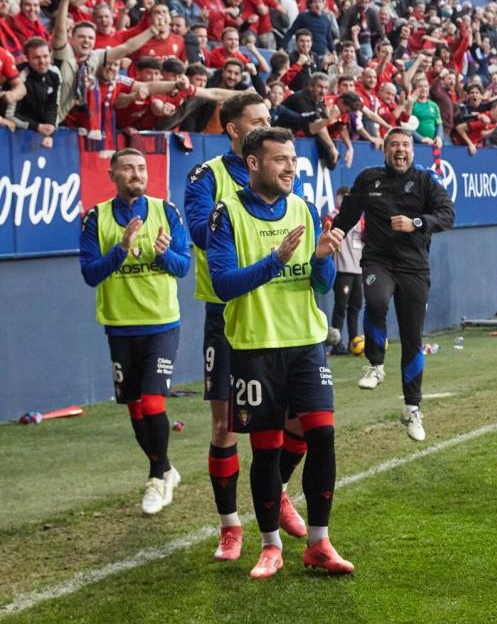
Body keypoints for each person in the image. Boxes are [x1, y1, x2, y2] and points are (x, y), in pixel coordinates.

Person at [207, 126, 352, 579]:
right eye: (279, 160)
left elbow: (320, 285)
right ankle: (270, 546)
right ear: (253, 163)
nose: (290, 167)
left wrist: (323, 258)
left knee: (321, 436)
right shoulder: (225, 214)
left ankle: (319, 542)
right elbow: (223, 284)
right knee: (265, 450)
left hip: (307, 342)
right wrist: (275, 260)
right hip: (254, 347)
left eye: (293, 160)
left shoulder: (305, 209)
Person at [184, 93, 309, 562]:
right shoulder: (208, 176)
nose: (266, 124)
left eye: (269, 118)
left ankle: (275, 492)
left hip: (280, 312)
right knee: (225, 425)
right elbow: (199, 230)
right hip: (228, 311)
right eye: (257, 120)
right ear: (234, 131)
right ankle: (230, 526)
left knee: (296, 417)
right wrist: (240, 218)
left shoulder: (281, 172)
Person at [79, 148, 188, 515]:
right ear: (112, 175)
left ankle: (157, 477)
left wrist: (162, 256)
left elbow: (183, 266)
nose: (136, 173)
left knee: (154, 401)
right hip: (120, 326)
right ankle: (167, 469)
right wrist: (121, 250)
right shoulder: (95, 217)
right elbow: (91, 273)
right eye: (127, 168)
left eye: (141, 167)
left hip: (161, 322)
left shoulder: (166, 211)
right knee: (136, 406)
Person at [332, 128, 456, 442]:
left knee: (413, 337)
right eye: (394, 145)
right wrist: (332, 235)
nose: (400, 150)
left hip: (414, 267)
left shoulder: (426, 180)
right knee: (375, 301)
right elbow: (347, 216)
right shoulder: (368, 178)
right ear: (385, 149)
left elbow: (447, 214)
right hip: (377, 261)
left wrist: (416, 223)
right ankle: (375, 365)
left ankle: (412, 408)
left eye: (405, 145)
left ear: (413, 151)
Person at [326, 186, 364, 355]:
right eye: (344, 198)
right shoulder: (332, 217)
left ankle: (354, 341)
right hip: (343, 270)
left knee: (355, 307)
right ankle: (336, 344)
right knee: (341, 307)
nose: (347, 201)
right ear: (338, 198)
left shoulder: (360, 219)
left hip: (358, 270)